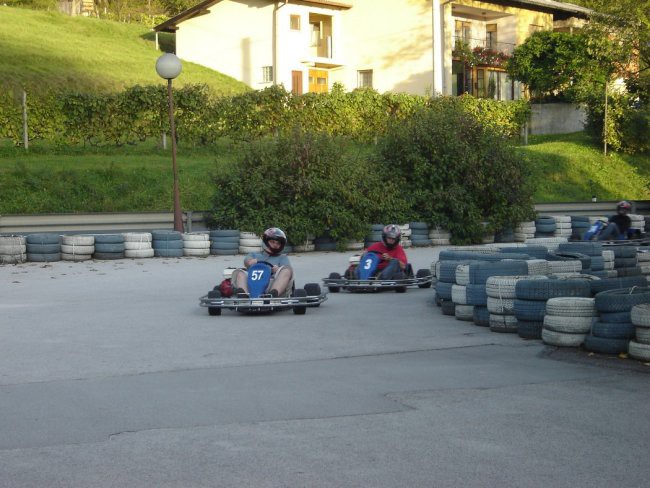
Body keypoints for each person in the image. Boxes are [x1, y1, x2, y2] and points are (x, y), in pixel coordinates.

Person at [231, 227, 293, 297]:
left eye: (278, 243)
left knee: (287, 270)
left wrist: (278, 269)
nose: (275, 245)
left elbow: (287, 271)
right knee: (240, 273)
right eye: (272, 242)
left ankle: (272, 295)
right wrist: (250, 262)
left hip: (271, 284)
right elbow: (246, 261)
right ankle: (244, 296)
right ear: (266, 241)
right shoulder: (254, 254)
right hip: (252, 283)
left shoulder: (282, 257)